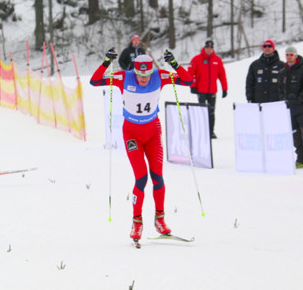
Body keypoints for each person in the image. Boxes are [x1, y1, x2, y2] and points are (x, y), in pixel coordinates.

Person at [90, 49, 193, 243]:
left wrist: (175, 64)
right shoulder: (124, 77)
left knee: (158, 178)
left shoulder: (159, 75)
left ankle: (160, 219)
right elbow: (95, 81)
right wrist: (105, 62)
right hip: (132, 134)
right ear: (134, 71)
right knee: (141, 178)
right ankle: (137, 221)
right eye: (140, 75)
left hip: (153, 132)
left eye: (146, 75)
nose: (144, 79)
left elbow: (188, 81)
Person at [282, 46, 303, 169]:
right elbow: (280, 89)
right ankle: (301, 159)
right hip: (290, 109)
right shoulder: (283, 71)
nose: (289, 57)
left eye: (291, 54)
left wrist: (301, 98)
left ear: (296, 56)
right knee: (295, 135)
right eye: (287, 55)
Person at [188, 40, 228, 139]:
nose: (209, 50)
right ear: (204, 48)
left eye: (211, 48)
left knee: (211, 111)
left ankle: (211, 132)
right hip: (200, 90)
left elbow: (222, 75)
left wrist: (224, 88)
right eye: (207, 48)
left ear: (213, 49)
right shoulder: (197, 59)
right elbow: (190, 72)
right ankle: (202, 131)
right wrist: (192, 86)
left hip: (212, 90)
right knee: (201, 111)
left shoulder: (217, 60)